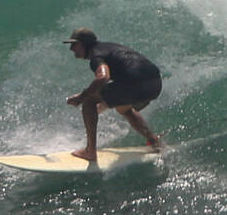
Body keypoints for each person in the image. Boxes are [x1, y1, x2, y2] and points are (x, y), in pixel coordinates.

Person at [64, 27, 162, 162]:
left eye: (74, 45)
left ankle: (90, 151)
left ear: (84, 44)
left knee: (89, 100)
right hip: (155, 84)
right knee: (124, 108)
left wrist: (81, 97)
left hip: (136, 85)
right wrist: (104, 102)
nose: (71, 49)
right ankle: (153, 140)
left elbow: (103, 78)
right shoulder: (110, 47)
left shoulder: (96, 56)